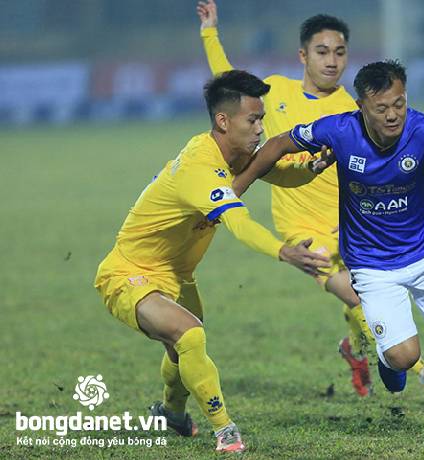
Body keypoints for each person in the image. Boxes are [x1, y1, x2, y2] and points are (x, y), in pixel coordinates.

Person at [233, 60, 424, 437]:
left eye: (399, 103)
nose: (393, 115)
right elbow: (279, 144)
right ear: (361, 106)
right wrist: (236, 189)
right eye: (381, 108)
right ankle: (388, 359)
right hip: (371, 265)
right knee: (404, 357)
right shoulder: (338, 130)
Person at [196, 0, 424, 398]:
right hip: (303, 230)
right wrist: (210, 31)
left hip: (352, 224)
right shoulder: (275, 92)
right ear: (303, 55)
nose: (332, 61)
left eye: (340, 52)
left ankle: (355, 349)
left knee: (366, 296)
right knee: (356, 294)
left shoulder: (353, 109)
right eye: (322, 51)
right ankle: (423, 370)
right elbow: (227, 83)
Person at [94, 70, 330, 453]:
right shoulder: (199, 169)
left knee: (180, 348)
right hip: (128, 273)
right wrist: (282, 250)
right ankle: (225, 431)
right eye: (253, 120)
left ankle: (172, 412)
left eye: (262, 118)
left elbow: (273, 170)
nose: (260, 128)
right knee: (189, 334)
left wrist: (310, 168)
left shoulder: (231, 154)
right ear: (223, 121)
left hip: (177, 275)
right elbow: (239, 222)